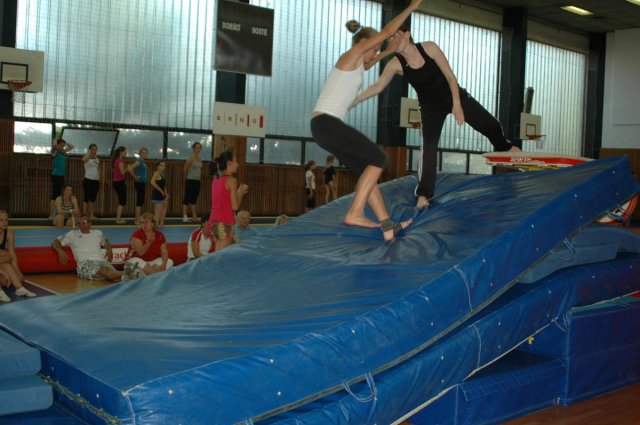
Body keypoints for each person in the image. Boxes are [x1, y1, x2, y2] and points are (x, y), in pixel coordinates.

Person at [353, 28, 520, 209]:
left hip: (454, 96)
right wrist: (356, 98)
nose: (394, 41)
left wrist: (457, 104)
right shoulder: (395, 64)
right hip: (430, 109)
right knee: (429, 148)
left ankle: (505, 146)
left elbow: (450, 76)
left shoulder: (429, 48)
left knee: (491, 125)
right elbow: (378, 86)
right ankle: (424, 194)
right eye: (391, 40)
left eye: (397, 36)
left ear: (407, 35)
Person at [310, 0, 421, 241]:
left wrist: (392, 48)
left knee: (366, 169)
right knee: (380, 158)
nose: (375, 54)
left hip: (323, 127)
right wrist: (412, 7)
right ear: (363, 44)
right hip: (327, 123)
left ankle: (387, 226)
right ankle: (355, 211)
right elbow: (386, 32)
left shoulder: (358, 63)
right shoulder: (352, 54)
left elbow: (376, 55)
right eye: (374, 48)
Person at [51, 213, 123, 282]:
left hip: (102, 262)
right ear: (78, 225)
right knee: (107, 272)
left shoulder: (98, 233)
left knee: (115, 277)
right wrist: (60, 251)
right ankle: (130, 274)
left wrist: (109, 250)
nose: (83, 224)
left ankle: (127, 275)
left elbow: (106, 242)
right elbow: (55, 242)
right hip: (86, 264)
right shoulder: (72, 234)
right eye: (80, 223)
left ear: (90, 223)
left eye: (85, 221)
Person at [209, 149, 248, 251]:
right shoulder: (231, 180)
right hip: (224, 222)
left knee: (217, 252)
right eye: (236, 161)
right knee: (220, 257)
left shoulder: (216, 180)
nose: (238, 164)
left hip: (214, 222)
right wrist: (240, 193)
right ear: (229, 163)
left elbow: (224, 202)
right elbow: (235, 207)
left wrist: (238, 193)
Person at [124, 212, 174, 279]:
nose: (144, 224)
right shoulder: (137, 235)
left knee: (169, 261)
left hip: (151, 262)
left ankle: (145, 275)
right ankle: (156, 276)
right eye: (142, 222)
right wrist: (149, 242)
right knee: (136, 261)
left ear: (153, 223)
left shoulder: (159, 235)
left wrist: (163, 265)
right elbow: (140, 253)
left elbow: (164, 252)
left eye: (146, 222)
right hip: (137, 261)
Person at [0, 210, 36, 302]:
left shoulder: (8, 233)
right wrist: (3, 272)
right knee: (5, 259)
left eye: (6, 220)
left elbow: (11, 254)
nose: (5, 222)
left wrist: (17, 271)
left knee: (7, 264)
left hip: (2, 262)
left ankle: (19, 288)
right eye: (1, 220)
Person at [49, 137, 74, 220]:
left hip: (61, 176)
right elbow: (54, 146)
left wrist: (64, 142)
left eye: (63, 146)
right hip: (56, 175)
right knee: (54, 196)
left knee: (59, 196)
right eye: (61, 145)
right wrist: (55, 140)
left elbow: (72, 146)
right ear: (58, 145)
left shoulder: (62, 152)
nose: (63, 147)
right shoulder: (55, 152)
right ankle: (51, 215)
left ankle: (57, 214)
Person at [182, 142, 203, 223]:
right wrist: (185, 180)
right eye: (196, 147)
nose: (198, 149)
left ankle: (194, 216)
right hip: (190, 180)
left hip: (197, 181)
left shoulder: (199, 159)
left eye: (199, 148)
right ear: (193, 148)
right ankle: (185, 216)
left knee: (194, 199)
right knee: (187, 198)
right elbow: (185, 170)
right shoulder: (190, 159)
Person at [127, 147, 149, 225]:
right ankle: (137, 220)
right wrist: (135, 176)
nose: (145, 154)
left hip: (142, 183)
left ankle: (138, 218)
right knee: (139, 201)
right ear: (140, 153)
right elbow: (130, 169)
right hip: (139, 183)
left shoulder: (142, 162)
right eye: (143, 153)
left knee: (141, 201)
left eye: (146, 153)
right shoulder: (139, 161)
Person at [82, 143, 100, 221]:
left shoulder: (97, 158)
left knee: (93, 198)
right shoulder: (87, 157)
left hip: (96, 180)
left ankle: (92, 215)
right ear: (89, 150)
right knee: (86, 198)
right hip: (88, 179)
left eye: (95, 149)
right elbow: (83, 160)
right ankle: (85, 215)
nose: (94, 151)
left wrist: (99, 177)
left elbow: (98, 169)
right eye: (93, 149)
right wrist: (89, 153)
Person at [112, 146, 128, 224]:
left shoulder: (117, 160)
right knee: (122, 201)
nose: (126, 153)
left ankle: (118, 218)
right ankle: (118, 219)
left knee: (122, 200)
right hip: (119, 182)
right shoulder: (120, 161)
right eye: (125, 151)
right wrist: (128, 168)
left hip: (117, 182)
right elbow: (122, 172)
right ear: (121, 152)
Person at [150, 161, 169, 227]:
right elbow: (152, 182)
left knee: (164, 206)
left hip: (162, 195)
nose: (163, 167)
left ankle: (161, 221)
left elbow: (163, 185)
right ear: (157, 166)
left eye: (164, 165)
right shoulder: (156, 173)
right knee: (157, 213)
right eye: (161, 165)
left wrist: (166, 194)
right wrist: (161, 191)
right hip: (157, 195)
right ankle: (156, 225)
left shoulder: (162, 174)